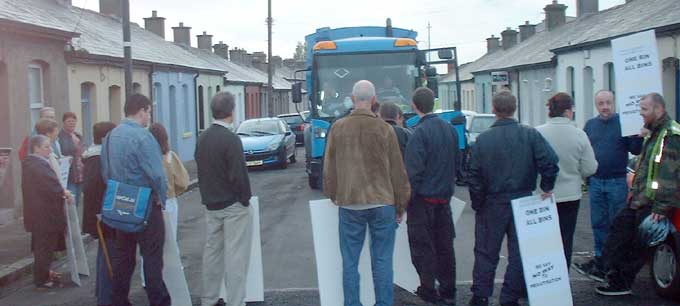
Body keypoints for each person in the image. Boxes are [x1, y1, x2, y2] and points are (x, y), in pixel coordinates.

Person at [323, 80, 410, 306]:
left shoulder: (338, 128)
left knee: (350, 262)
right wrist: (400, 205)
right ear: (373, 101)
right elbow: (397, 172)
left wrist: (334, 194)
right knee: (382, 261)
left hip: (350, 203)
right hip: (382, 203)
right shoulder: (385, 129)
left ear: (353, 99)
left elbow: (329, 169)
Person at [467, 91, 559, 306]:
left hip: (492, 201)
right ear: (515, 108)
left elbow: (474, 175)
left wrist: (478, 202)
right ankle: (509, 296)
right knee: (519, 252)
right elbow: (550, 162)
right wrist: (546, 186)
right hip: (523, 199)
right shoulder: (530, 135)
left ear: (493, 109)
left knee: (486, 251)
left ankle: (481, 295)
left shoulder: (482, 140)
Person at [593, 93, 680, 296]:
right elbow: (644, 167)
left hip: (653, 202)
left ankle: (620, 283)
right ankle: (602, 268)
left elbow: (670, 174)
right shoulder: (654, 133)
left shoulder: (671, 136)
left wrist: (661, 207)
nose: (640, 114)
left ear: (658, 110)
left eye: (644, 109)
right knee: (618, 230)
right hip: (639, 198)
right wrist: (633, 192)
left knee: (637, 245)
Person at [101, 94, 170, 306]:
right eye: (148, 112)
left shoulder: (111, 136)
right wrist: (161, 199)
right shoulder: (144, 137)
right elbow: (157, 175)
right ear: (141, 111)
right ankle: (158, 302)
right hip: (146, 205)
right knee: (152, 258)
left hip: (121, 204)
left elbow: (105, 172)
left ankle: (118, 300)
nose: (149, 116)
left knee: (124, 258)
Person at [574, 90, 643, 281]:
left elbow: (636, 149)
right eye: (601, 103)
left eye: (608, 103)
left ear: (614, 103)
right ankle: (600, 261)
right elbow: (584, 152)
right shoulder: (590, 125)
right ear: (596, 105)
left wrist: (638, 135)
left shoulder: (624, 123)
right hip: (596, 182)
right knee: (598, 224)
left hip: (617, 182)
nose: (605, 107)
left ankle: (615, 265)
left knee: (617, 226)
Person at [195, 92, 253, 306]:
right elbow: (239, 174)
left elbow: (201, 168)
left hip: (211, 204)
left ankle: (208, 299)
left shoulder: (203, 137)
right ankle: (236, 301)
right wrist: (245, 199)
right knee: (236, 257)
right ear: (230, 112)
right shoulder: (231, 139)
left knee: (212, 254)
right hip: (232, 205)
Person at [404, 87, 459, 305]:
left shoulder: (419, 133)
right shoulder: (450, 130)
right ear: (433, 103)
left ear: (414, 106)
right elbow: (458, 161)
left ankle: (428, 289)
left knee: (423, 247)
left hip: (423, 201)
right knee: (445, 246)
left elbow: (413, 171)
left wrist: (407, 201)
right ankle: (449, 290)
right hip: (444, 199)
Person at [536, 93, 598, 268]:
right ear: (569, 112)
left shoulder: (537, 133)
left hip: (542, 194)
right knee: (565, 238)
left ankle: (542, 277)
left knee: (543, 239)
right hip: (570, 195)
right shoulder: (579, 135)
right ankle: (562, 279)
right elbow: (590, 168)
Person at [21, 135, 73, 290]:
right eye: (46, 146)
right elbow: (51, 186)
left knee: (43, 247)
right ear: (36, 148)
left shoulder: (34, 163)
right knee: (44, 248)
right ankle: (42, 279)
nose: (50, 149)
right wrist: (65, 192)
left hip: (40, 213)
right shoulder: (37, 165)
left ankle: (44, 274)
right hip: (43, 214)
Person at [82, 121, 117, 306]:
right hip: (102, 216)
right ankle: (106, 298)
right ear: (105, 138)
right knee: (108, 256)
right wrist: (100, 214)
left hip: (101, 214)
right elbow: (92, 189)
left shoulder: (95, 156)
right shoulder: (97, 158)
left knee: (104, 256)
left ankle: (103, 293)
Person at [149, 123, 189, 238]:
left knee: (151, 240)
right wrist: (174, 192)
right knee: (169, 240)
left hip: (150, 202)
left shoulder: (146, 157)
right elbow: (182, 182)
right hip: (169, 201)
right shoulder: (170, 157)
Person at [58, 112, 85, 207]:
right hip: (70, 175)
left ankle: (76, 221)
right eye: (69, 121)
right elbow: (65, 151)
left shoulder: (78, 135)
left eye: (73, 121)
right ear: (63, 122)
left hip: (80, 174)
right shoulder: (60, 137)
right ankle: (72, 221)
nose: (72, 123)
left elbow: (83, 152)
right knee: (71, 203)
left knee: (77, 202)